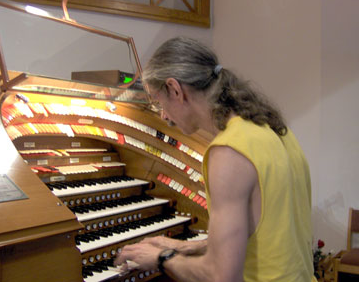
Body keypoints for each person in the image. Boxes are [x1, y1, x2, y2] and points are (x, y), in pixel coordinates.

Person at [114, 36, 316, 282]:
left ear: (175, 89)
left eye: (159, 102)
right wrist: (188, 247)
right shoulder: (274, 129)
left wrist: (162, 258)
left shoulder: (228, 152)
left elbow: (221, 276)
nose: (164, 116)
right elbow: (268, 235)